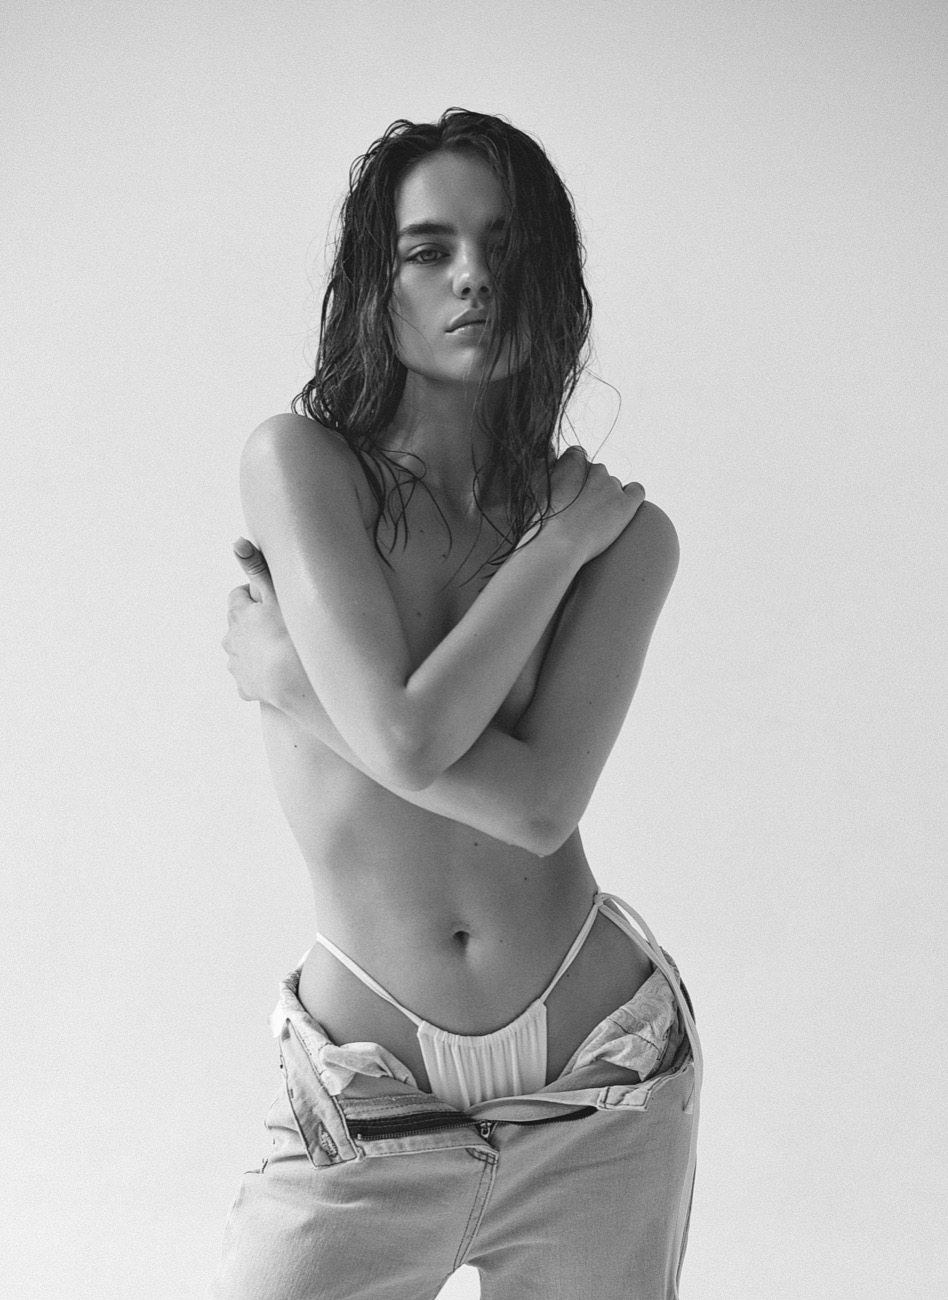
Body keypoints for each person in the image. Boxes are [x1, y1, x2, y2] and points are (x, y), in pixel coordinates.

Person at [211, 108, 701, 1300]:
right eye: (428, 249)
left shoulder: (626, 539)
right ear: (375, 286)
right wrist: (551, 551)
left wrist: (293, 686)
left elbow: (537, 808)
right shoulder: (300, 466)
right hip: (367, 1093)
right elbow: (408, 735)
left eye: (501, 244)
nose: (471, 274)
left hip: (602, 1079)